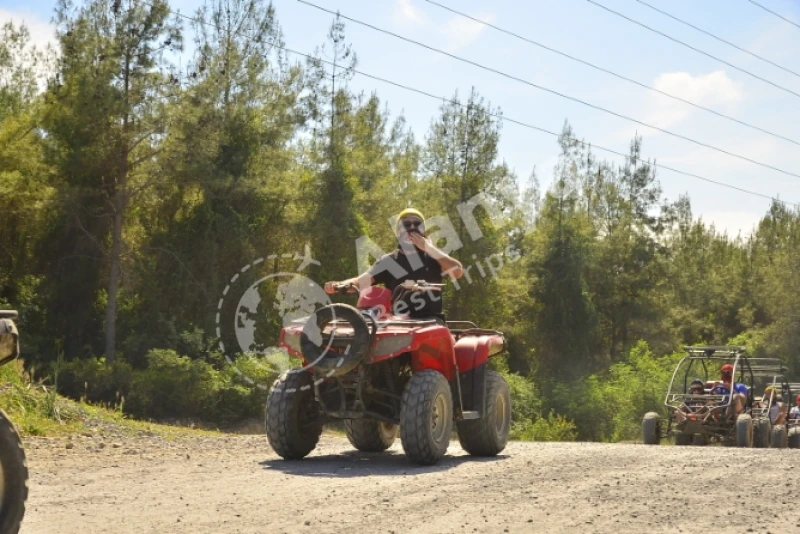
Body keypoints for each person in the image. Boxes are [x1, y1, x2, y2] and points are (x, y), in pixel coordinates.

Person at [324, 208, 463, 320]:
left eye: (417, 224)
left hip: (431, 322)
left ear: (423, 231)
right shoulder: (389, 261)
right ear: (398, 231)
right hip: (397, 323)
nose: (412, 227)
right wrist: (339, 284)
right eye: (406, 224)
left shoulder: (434, 256)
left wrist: (429, 248)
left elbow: (458, 272)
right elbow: (361, 281)